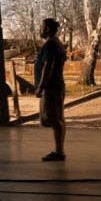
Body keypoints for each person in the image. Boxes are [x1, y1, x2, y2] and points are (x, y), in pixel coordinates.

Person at [34, 18, 68, 162]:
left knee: (54, 120)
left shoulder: (50, 44)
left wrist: (41, 86)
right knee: (58, 120)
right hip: (56, 86)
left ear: (47, 29)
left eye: (41, 27)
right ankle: (59, 151)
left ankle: (59, 153)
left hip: (51, 87)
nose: (40, 30)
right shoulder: (58, 43)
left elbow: (48, 66)